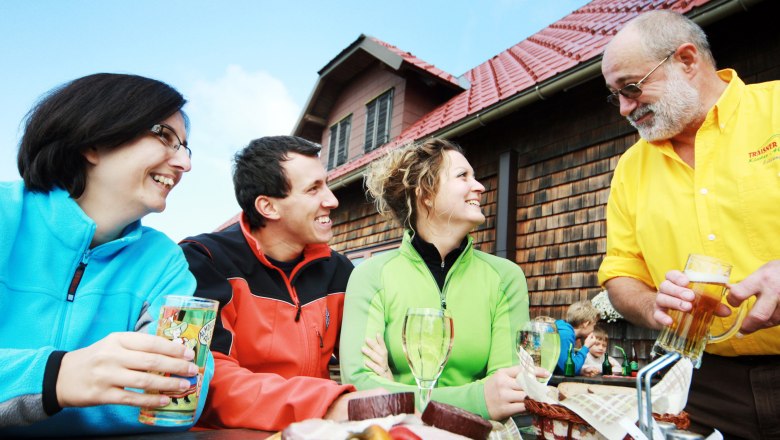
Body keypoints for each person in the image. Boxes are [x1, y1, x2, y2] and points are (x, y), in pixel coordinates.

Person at [598, 10, 780, 438]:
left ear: (686, 60)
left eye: (632, 87)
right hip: (701, 385)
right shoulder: (629, 168)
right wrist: (650, 305)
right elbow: (621, 273)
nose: (624, 107)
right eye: (616, 95)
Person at [0, 73, 211, 437]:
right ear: (94, 140)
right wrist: (55, 378)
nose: (184, 164)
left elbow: (178, 398)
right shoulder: (6, 215)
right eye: (164, 136)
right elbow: (148, 395)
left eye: (184, 148)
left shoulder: (165, 261)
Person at [179, 136, 383, 431]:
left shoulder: (339, 270)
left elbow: (366, 358)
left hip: (315, 432)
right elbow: (205, 378)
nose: (332, 200)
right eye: (314, 189)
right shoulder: (202, 260)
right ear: (268, 207)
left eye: (326, 184)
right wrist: (326, 403)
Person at [340, 138, 541, 421]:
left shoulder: (506, 277)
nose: (480, 186)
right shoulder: (371, 275)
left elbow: (505, 391)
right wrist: (476, 398)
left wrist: (394, 389)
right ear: (426, 194)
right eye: (463, 176)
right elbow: (359, 385)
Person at [553, 300, 598, 376]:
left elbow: (560, 367)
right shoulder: (565, 334)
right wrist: (586, 347)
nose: (593, 329)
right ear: (586, 324)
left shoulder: (564, 329)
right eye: (593, 325)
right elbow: (568, 369)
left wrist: (581, 371)